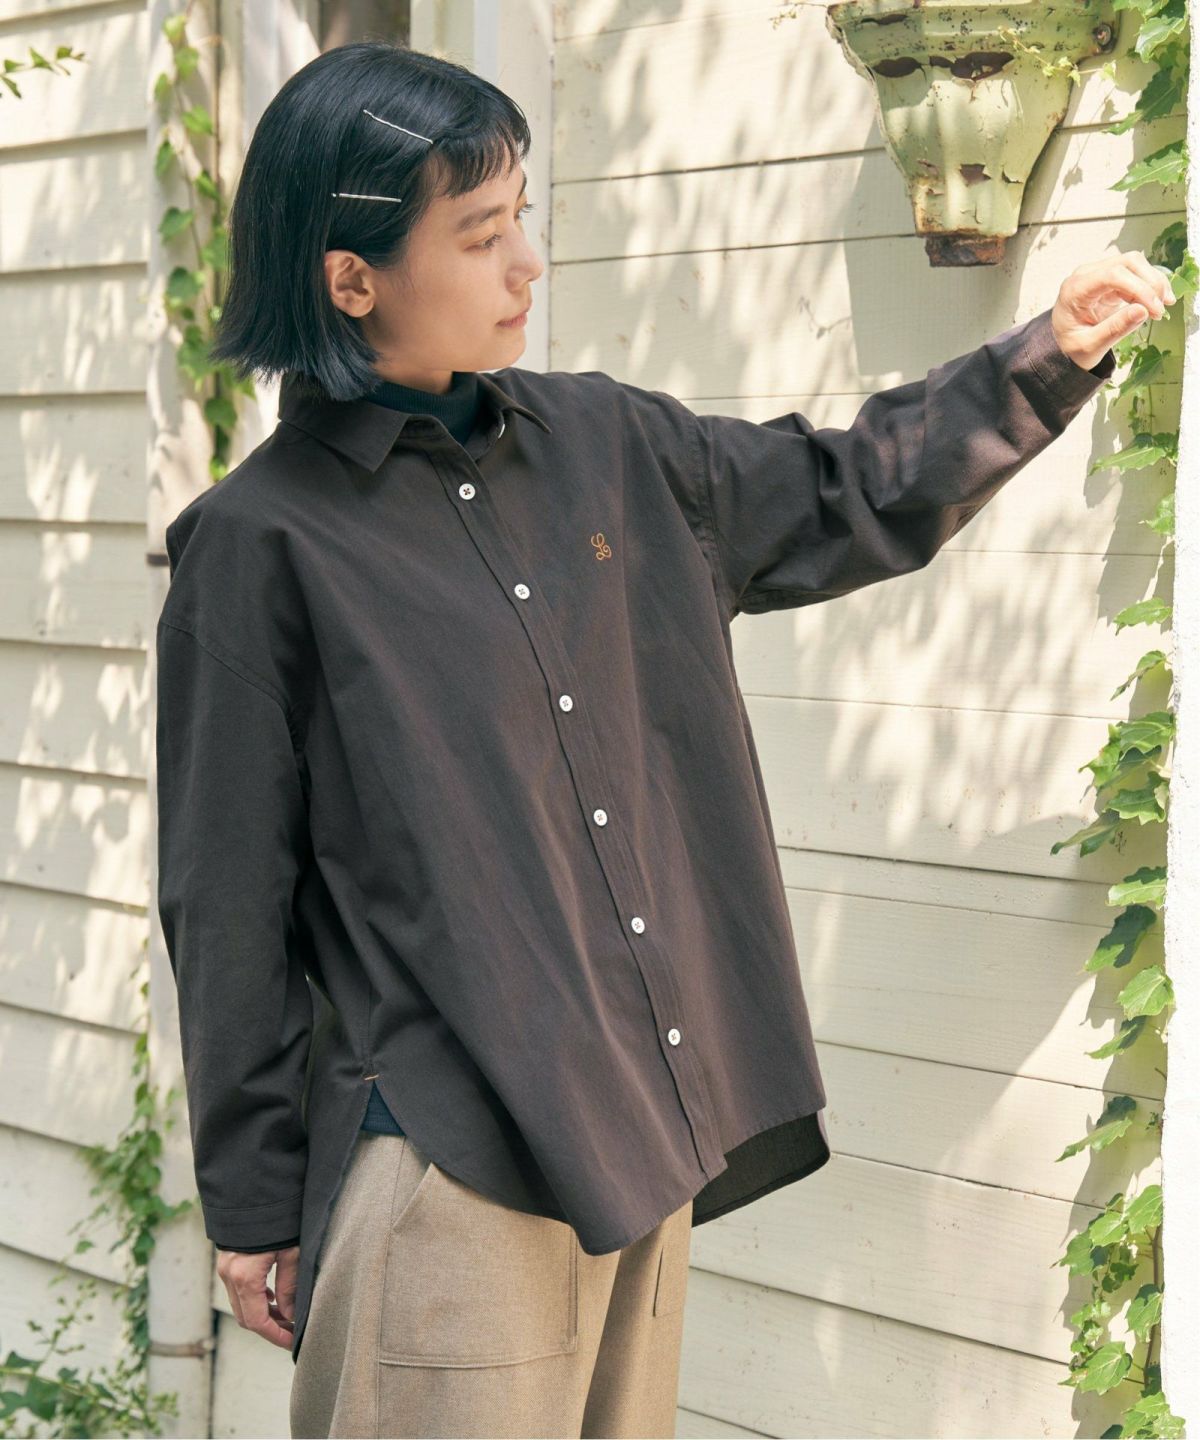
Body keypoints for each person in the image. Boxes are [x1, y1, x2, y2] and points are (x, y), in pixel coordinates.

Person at [155, 35, 1171, 1440]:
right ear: (351, 280)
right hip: (448, 1164)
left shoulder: (610, 446)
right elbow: (227, 899)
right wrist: (255, 1202)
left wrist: (1044, 356)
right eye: (482, 234)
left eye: (521, 217)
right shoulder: (258, 547)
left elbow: (843, 488)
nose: (528, 263)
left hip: (638, 1145)